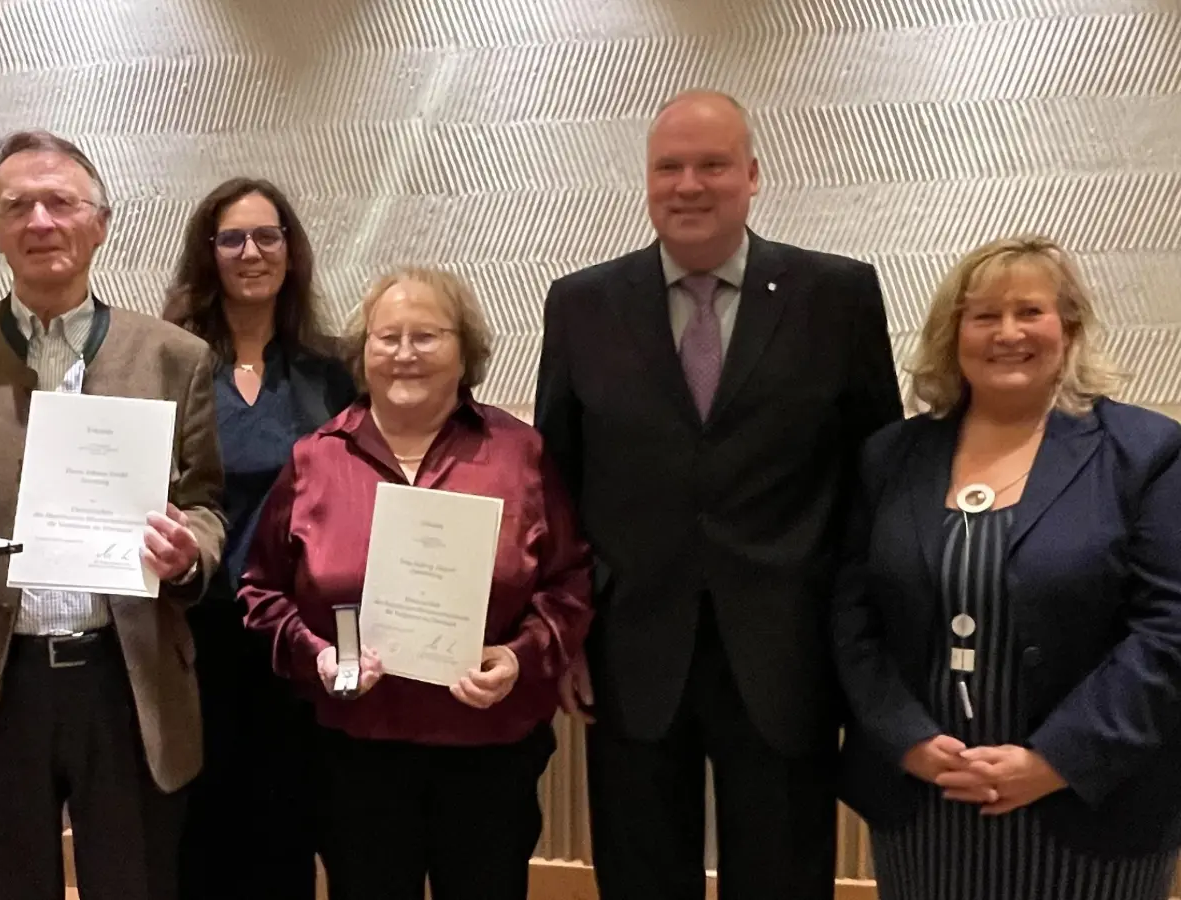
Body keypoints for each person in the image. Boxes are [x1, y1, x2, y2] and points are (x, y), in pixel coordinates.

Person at [532, 89, 903, 900]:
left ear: (753, 175)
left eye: (713, 165)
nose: (689, 185)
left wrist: (860, 637)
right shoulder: (582, 304)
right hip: (628, 656)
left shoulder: (835, 297)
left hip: (788, 652)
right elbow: (554, 485)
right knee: (639, 877)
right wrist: (564, 634)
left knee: (783, 877)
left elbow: (877, 480)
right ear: (646, 179)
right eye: (669, 166)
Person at [0, 130, 226, 900]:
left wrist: (187, 552)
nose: (40, 221)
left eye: (61, 202)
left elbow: (205, 502)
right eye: (16, 206)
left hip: (126, 683)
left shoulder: (174, 356)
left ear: (101, 223)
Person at [833, 235, 1181, 899]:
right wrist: (904, 740)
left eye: (1030, 312)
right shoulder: (891, 457)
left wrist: (1056, 759)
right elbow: (853, 616)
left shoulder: (1146, 453)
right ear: (953, 332)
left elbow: (1170, 630)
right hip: (928, 804)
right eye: (984, 315)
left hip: (1090, 805)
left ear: (1069, 327)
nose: (1008, 333)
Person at [240, 266, 592, 900]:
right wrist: (316, 656)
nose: (404, 354)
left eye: (426, 336)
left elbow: (567, 582)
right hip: (356, 754)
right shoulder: (314, 459)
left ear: (465, 350)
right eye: (387, 337)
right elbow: (261, 591)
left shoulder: (521, 455)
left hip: (489, 750)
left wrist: (520, 658)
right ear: (363, 352)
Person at [162, 177, 355, 900]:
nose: (251, 252)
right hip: (192, 633)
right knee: (200, 829)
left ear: (290, 250)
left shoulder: (333, 371)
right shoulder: (168, 365)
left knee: (287, 826)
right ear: (207, 255)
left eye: (267, 236)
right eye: (232, 238)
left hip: (298, 640)